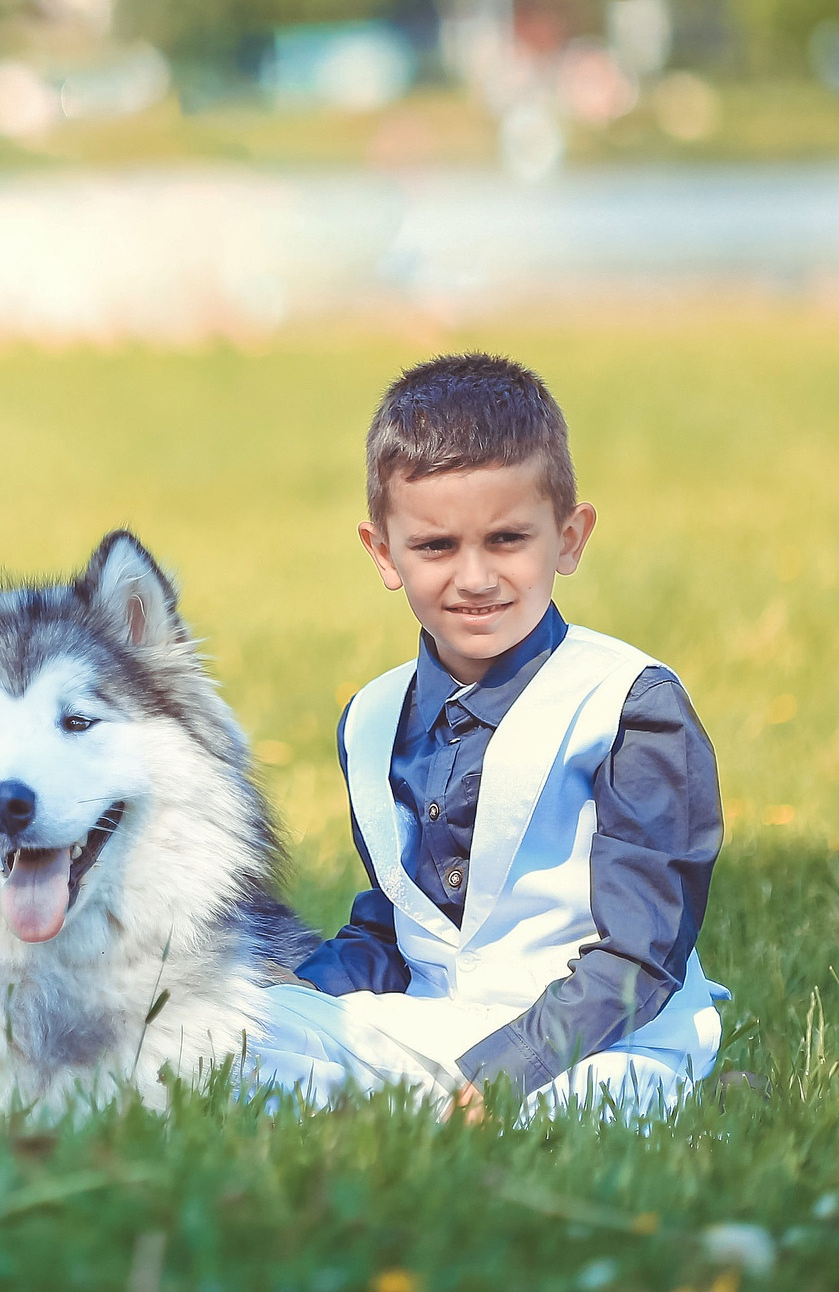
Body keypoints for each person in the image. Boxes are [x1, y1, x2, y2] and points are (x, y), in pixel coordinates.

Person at [256, 353, 726, 1116]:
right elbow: (396, 921)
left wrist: (504, 1072)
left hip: (599, 1040)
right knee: (239, 1035)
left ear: (569, 538)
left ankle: (677, 1101)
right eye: (436, 547)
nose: (474, 577)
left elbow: (640, 956)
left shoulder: (629, 705)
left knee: (583, 1107)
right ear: (384, 553)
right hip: (430, 1027)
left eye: (508, 540)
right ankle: (410, 1102)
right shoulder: (372, 719)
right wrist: (300, 988)